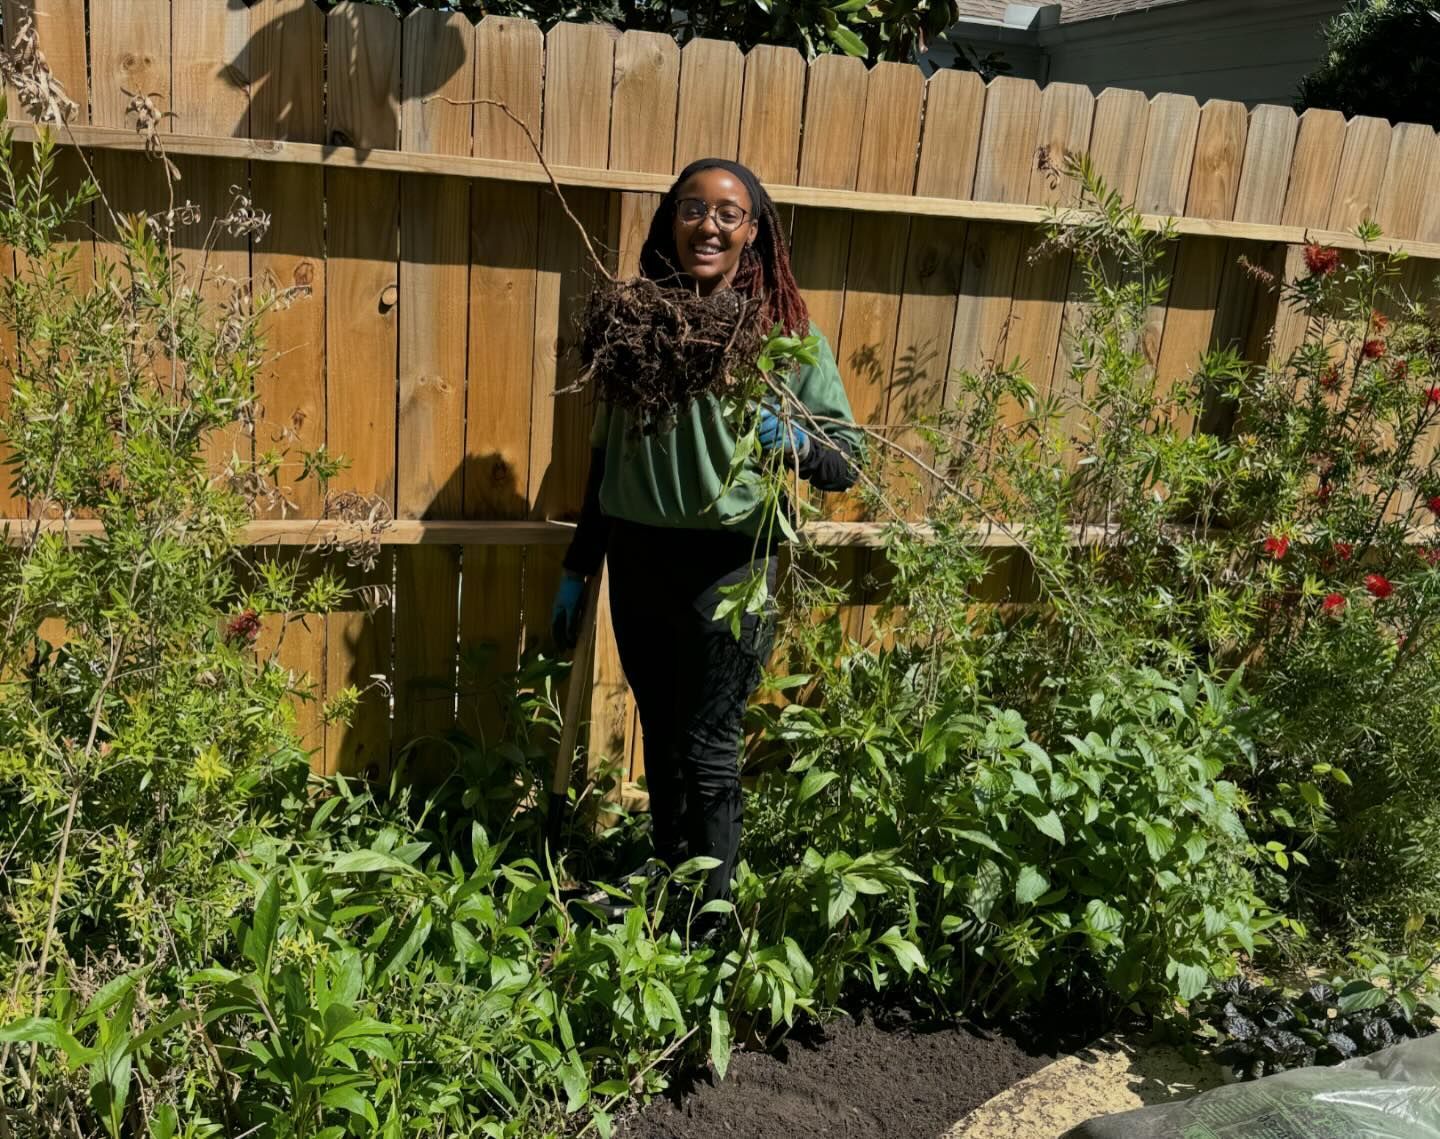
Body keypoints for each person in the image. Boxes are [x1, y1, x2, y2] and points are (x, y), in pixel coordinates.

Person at [552, 157, 862, 915]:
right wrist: (578, 566)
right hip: (638, 558)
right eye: (694, 209)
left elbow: (845, 461)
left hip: (729, 565)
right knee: (659, 730)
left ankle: (711, 919)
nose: (709, 226)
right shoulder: (633, 331)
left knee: (710, 745)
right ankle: (667, 882)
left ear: (753, 231)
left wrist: (791, 436)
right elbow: (602, 466)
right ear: (671, 219)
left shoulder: (782, 338)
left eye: (729, 213)